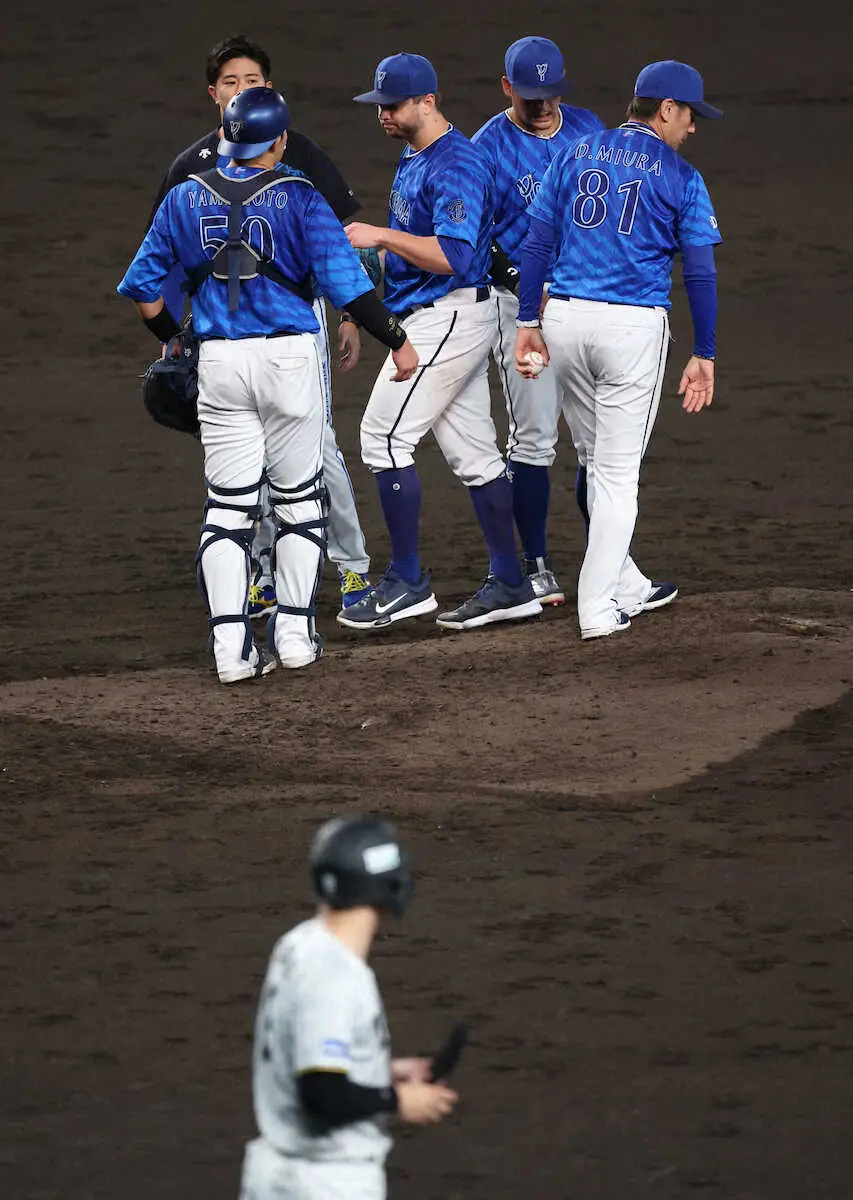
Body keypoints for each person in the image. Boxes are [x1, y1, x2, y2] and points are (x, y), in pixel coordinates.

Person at [118, 88, 418, 683]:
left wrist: (178, 339)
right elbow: (348, 288)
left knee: (227, 510)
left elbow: (145, 289)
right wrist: (398, 341)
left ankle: (231, 651)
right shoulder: (302, 198)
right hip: (288, 362)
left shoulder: (183, 197)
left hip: (221, 366)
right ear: (280, 140)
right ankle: (295, 635)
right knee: (298, 502)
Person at [150, 34, 376, 619]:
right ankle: (263, 575)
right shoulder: (189, 167)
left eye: (253, 81)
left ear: (269, 90)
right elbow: (167, 260)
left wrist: (349, 316)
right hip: (224, 329)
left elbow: (343, 250)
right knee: (246, 463)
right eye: (231, 82)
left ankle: (351, 568)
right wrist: (180, 332)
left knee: (317, 448)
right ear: (213, 95)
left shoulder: (298, 151)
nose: (242, 90)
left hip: (296, 326)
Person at [515, 60, 722, 640]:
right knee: (617, 476)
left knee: (591, 454)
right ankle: (598, 606)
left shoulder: (575, 152)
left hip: (565, 321)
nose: (693, 128)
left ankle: (626, 584)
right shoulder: (681, 176)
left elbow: (537, 242)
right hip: (630, 332)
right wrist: (704, 352)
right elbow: (700, 274)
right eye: (690, 115)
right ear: (665, 110)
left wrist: (528, 319)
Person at [341, 53, 541, 633]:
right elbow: (404, 252)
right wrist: (359, 307)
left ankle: (408, 582)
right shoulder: (415, 154)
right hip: (438, 313)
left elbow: (452, 257)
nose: (382, 114)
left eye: (393, 104)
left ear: (427, 101)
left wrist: (381, 234)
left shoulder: (456, 163)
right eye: (378, 105)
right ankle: (510, 582)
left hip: (448, 318)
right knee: (476, 455)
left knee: (381, 437)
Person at [237, 814, 459, 1200]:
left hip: (277, 1173)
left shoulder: (298, 944)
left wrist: (380, 1071)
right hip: (324, 1184)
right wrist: (399, 1100)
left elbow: (308, 1054)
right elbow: (322, 1095)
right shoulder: (336, 975)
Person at [471, 37, 604, 606]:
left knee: (600, 441)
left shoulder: (588, 128)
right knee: (534, 438)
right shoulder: (486, 148)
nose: (544, 105)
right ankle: (536, 564)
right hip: (517, 309)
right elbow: (475, 240)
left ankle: (610, 557)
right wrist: (529, 290)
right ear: (507, 88)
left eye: (552, 93)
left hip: (583, 303)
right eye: (531, 96)